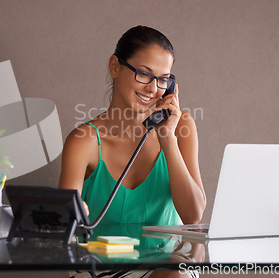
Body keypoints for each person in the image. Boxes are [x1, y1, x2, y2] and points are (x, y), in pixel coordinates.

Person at [59, 26, 206, 278]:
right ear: (115, 67)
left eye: (163, 79)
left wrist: (167, 139)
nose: (153, 88)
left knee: (174, 275)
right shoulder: (84, 141)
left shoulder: (181, 127)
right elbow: (62, 223)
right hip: (102, 265)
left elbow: (193, 216)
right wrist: (73, 214)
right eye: (143, 74)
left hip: (167, 266)